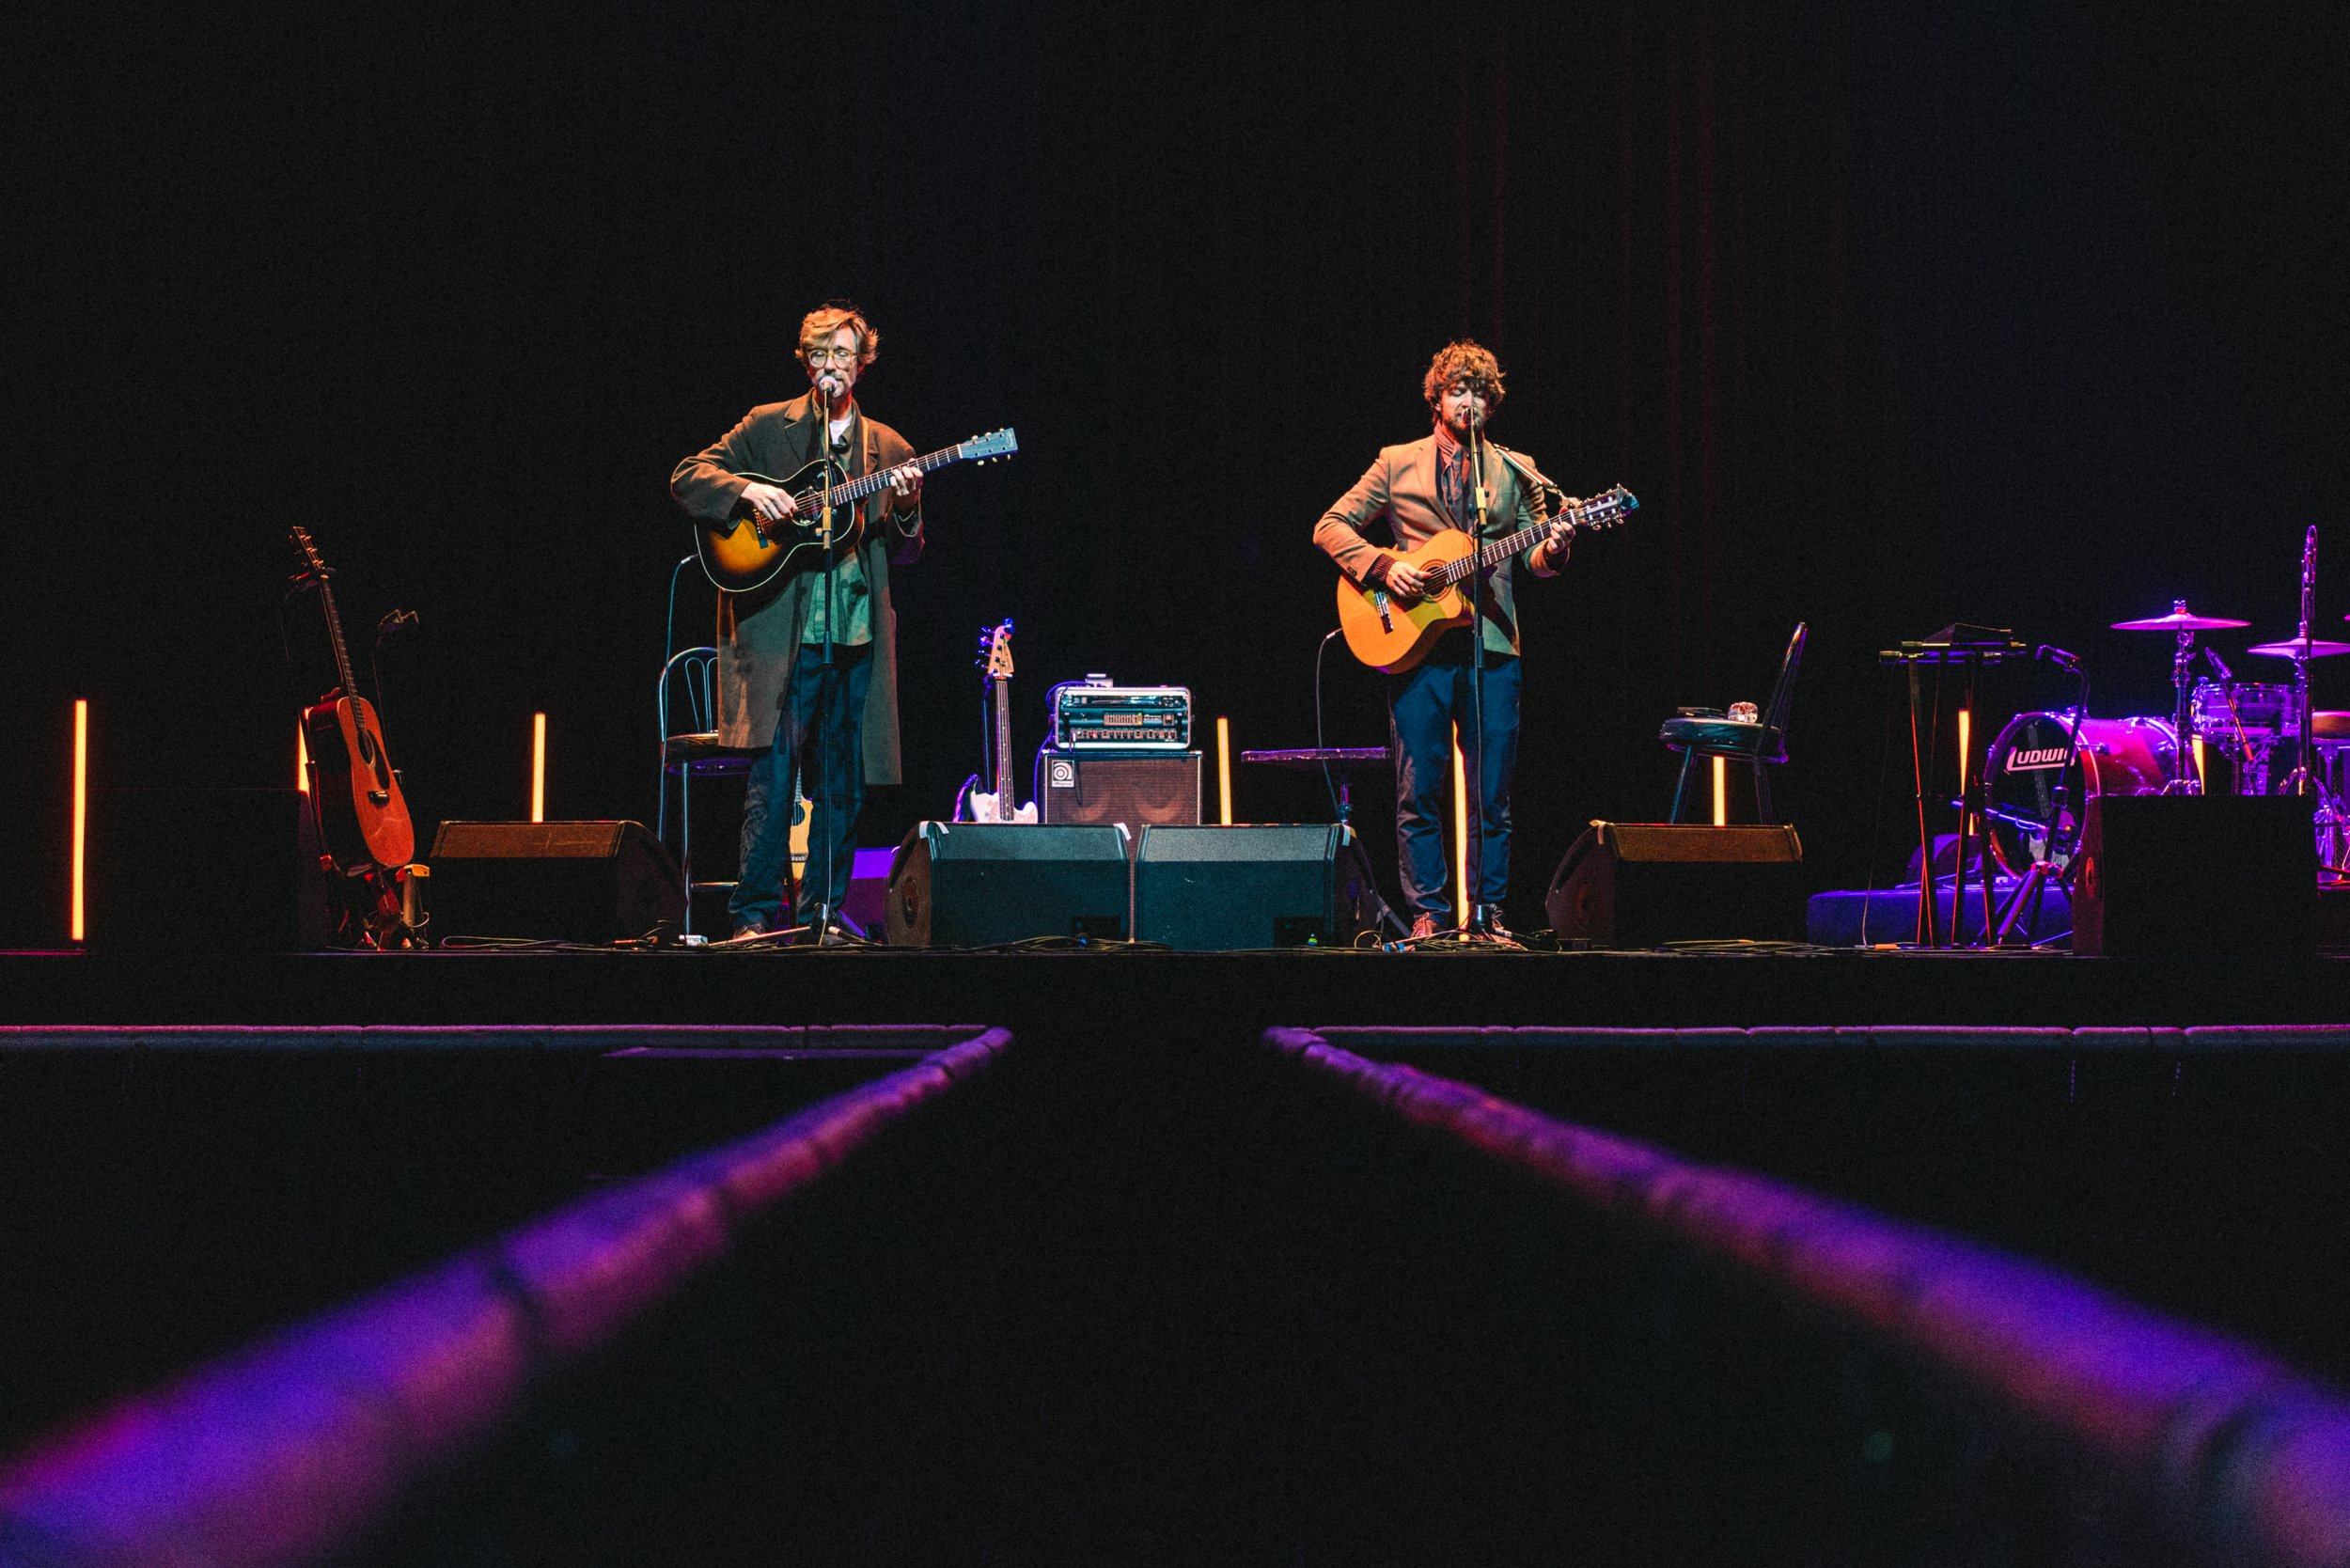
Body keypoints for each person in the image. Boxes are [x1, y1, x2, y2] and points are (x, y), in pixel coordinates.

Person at [670, 303, 925, 939]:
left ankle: (821, 914)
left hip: (856, 633)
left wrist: (910, 503)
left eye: (841, 354)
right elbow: (687, 476)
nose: (829, 366)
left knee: (844, 784)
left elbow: (907, 547)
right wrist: (747, 492)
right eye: (819, 354)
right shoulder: (767, 426)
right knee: (774, 776)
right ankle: (753, 916)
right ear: (805, 362)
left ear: (862, 364)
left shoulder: (885, 447)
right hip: (784, 636)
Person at [1313, 340, 1567, 940]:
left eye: (1479, 391)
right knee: (1418, 787)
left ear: (1491, 401)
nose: (1469, 401)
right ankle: (1428, 912)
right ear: (1437, 397)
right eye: (1458, 389)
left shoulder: (1515, 468)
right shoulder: (1397, 462)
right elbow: (1330, 526)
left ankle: (1488, 914)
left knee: (1492, 795)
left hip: (1492, 646)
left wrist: (1554, 546)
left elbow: (1532, 554)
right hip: (1410, 641)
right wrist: (1382, 566)